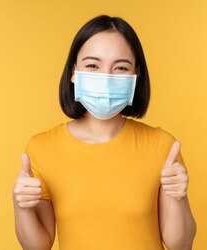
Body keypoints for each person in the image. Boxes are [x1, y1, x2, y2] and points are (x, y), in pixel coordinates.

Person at [12, 15, 196, 250]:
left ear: (135, 77)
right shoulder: (42, 148)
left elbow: (180, 246)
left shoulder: (161, 145)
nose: (106, 77)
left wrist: (179, 198)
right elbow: (37, 246)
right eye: (92, 65)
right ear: (73, 72)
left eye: (120, 67)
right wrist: (21, 206)